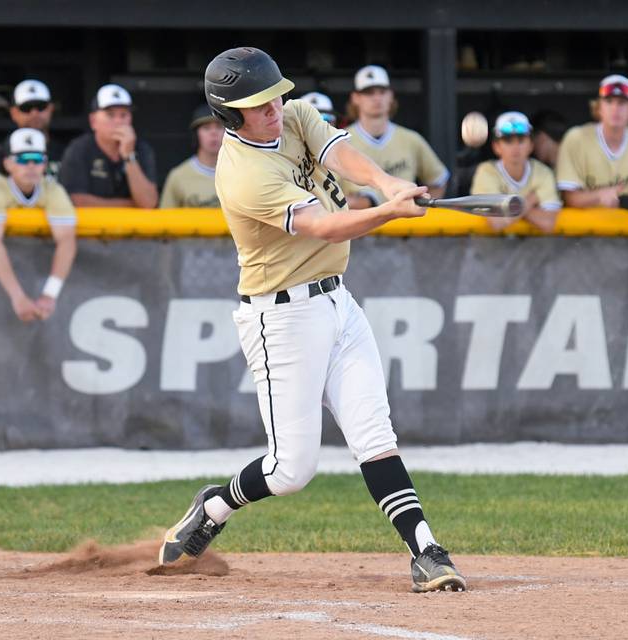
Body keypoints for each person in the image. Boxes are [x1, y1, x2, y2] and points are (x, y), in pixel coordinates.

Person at [158, 47, 466, 594]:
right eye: (259, 103)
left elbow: (344, 155)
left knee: (375, 434)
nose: (274, 107)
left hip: (337, 302)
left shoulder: (293, 114)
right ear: (230, 114)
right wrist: (391, 212)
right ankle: (215, 504)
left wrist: (389, 185)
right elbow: (324, 227)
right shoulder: (243, 174)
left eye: (275, 94)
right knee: (290, 470)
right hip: (281, 319)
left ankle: (427, 552)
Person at [0, 128, 77, 322]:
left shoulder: (52, 189)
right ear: (7, 163)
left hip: (35, 273)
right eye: (22, 159)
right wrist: (17, 296)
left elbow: (66, 240)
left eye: (37, 159)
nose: (30, 166)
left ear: (45, 164)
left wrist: (49, 294)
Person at [341, 65, 449, 209]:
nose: (376, 98)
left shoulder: (411, 139)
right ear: (355, 98)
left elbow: (438, 180)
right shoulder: (340, 140)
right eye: (369, 93)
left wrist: (422, 212)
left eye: (382, 92)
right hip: (359, 227)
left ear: (391, 95)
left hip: (402, 228)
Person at [556, 75, 628, 208]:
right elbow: (570, 198)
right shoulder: (576, 138)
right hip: (586, 225)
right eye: (609, 101)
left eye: (622, 103)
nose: (615, 109)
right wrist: (599, 195)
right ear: (599, 108)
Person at [59, 84, 158, 208]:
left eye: (123, 115)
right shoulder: (79, 149)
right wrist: (132, 206)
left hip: (131, 227)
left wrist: (129, 156)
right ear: (93, 121)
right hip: (91, 226)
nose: (118, 121)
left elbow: (148, 203)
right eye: (110, 115)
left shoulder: (142, 149)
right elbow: (77, 201)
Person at [471, 111, 561, 233]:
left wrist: (509, 210)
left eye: (521, 140)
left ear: (531, 145)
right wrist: (529, 201)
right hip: (490, 248)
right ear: (496, 146)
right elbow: (496, 223)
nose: (515, 147)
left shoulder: (544, 173)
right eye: (508, 141)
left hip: (535, 248)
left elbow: (548, 223)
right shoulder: (486, 172)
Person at [0, 80, 63, 183]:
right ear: (14, 112)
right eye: (26, 108)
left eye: (41, 106)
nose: (34, 113)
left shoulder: (67, 153)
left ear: (51, 108)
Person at [160, 105, 223, 208]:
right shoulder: (178, 176)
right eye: (206, 128)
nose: (213, 133)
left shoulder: (241, 173)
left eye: (219, 126)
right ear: (195, 135)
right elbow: (165, 220)